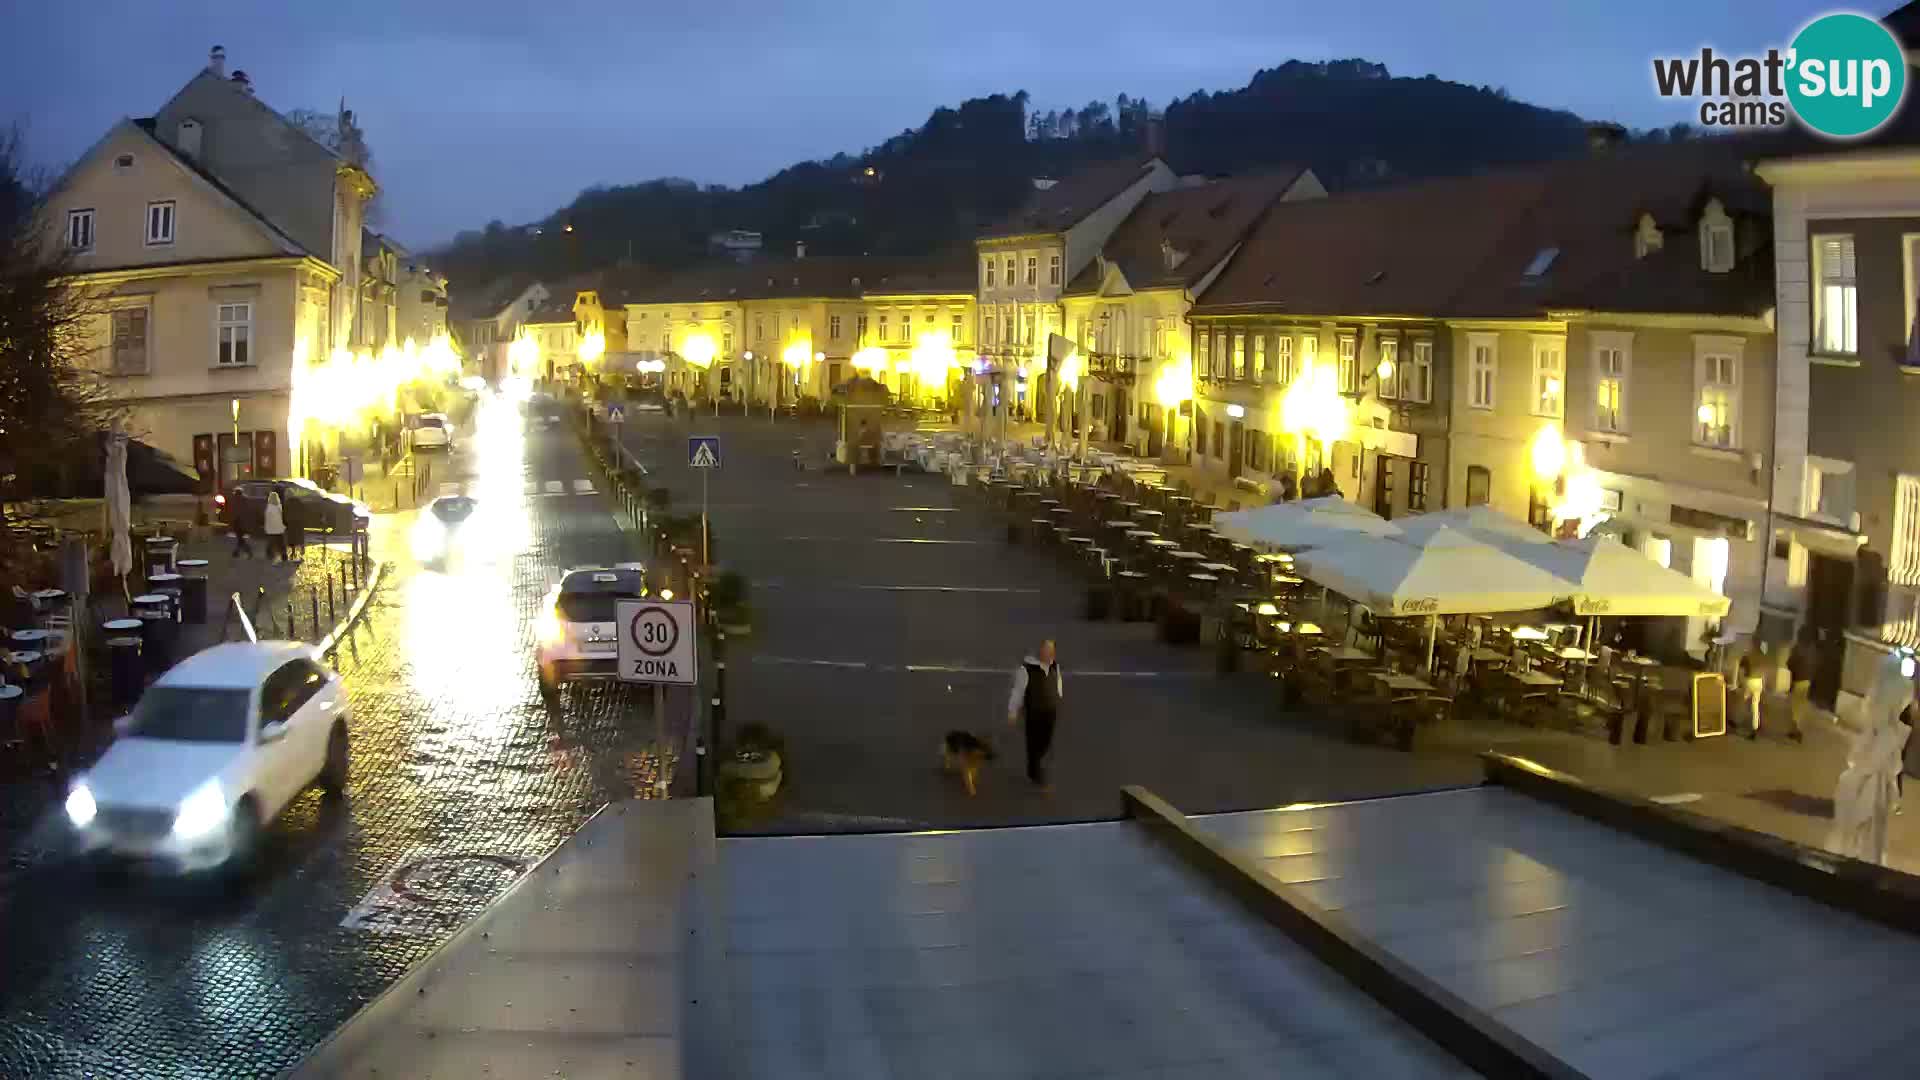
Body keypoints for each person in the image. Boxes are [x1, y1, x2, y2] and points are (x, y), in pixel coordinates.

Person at [1827, 649, 1914, 865]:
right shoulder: (1890, 730)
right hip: (1876, 773)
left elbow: (1867, 759)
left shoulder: (1885, 728)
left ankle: (1858, 854)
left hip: (1873, 770)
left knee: (1866, 819)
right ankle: (1864, 857)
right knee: (1870, 821)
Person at [1007, 639, 1065, 791]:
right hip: (1034, 712)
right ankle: (1034, 772)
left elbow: (1058, 682)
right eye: (1046, 650)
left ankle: (1036, 764)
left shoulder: (1055, 665)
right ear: (1040, 652)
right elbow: (1017, 691)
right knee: (1033, 744)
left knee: (1045, 741)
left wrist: (1058, 697)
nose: (1049, 653)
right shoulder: (1026, 669)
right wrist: (1013, 711)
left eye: (1051, 650)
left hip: (1050, 711)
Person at [1785, 625, 1817, 743]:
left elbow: (1790, 663)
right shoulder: (1812, 650)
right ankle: (1794, 730)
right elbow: (1814, 665)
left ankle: (1796, 730)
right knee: (1799, 707)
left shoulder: (1798, 648)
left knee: (1794, 707)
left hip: (1797, 680)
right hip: (1807, 681)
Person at [263, 490, 287, 563]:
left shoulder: (268, 507)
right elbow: (283, 516)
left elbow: (267, 518)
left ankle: (269, 554)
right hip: (279, 527)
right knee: (281, 542)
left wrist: (266, 527)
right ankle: (284, 555)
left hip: (271, 528)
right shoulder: (279, 506)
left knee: (271, 542)